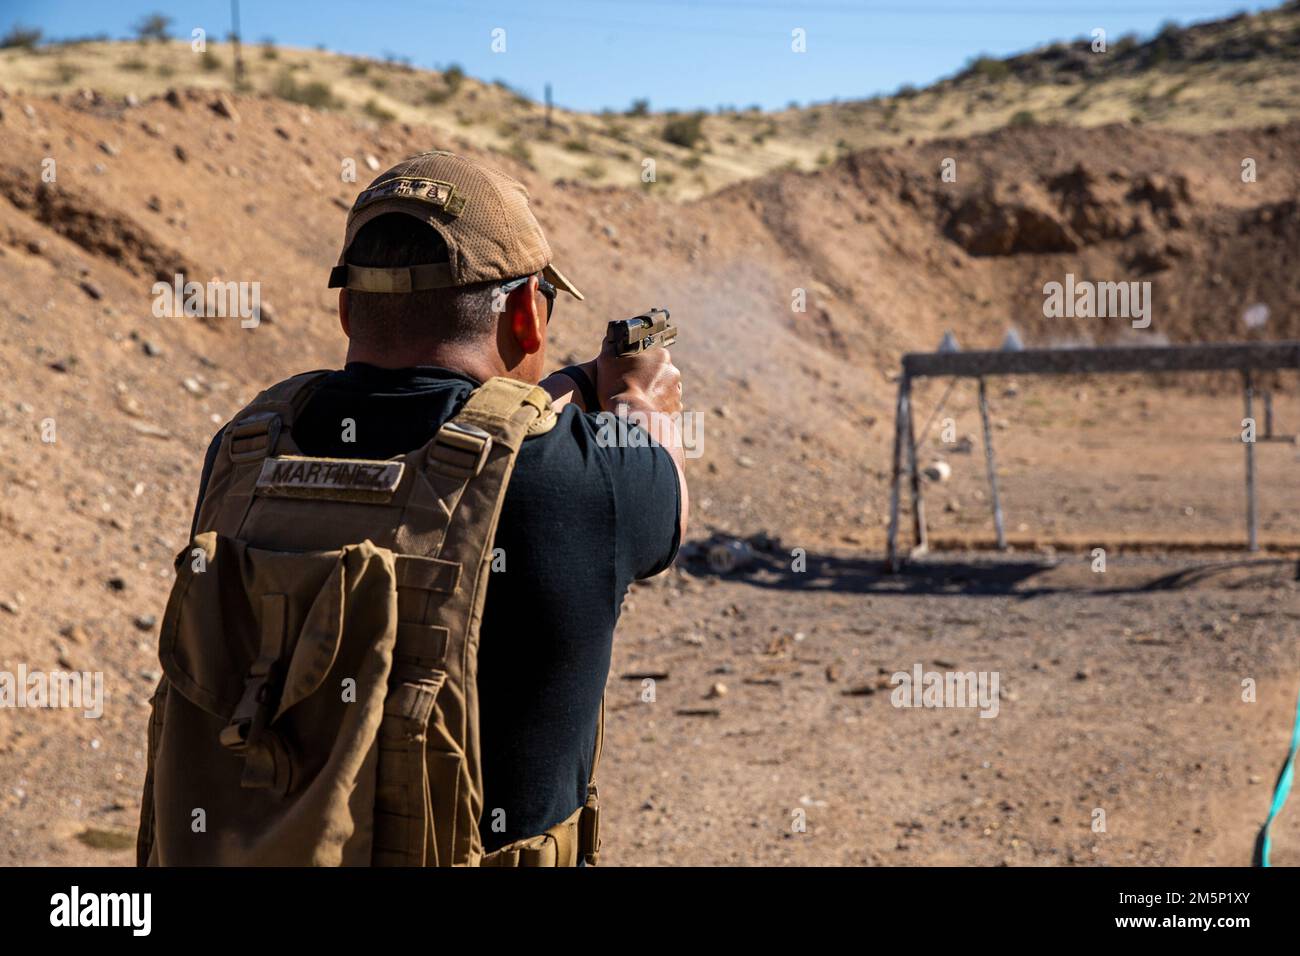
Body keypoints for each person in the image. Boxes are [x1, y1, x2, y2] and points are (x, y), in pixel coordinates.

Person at [183, 151, 687, 859]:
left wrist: (572, 383)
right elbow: (657, 482)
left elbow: (463, 426)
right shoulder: (582, 478)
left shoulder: (246, 449)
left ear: (347, 307)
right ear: (524, 318)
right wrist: (636, 395)